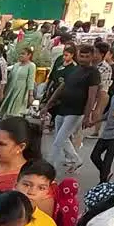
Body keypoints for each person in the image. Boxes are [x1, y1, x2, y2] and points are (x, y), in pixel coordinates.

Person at [44, 45, 102, 174]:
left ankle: (48, 169)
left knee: (58, 141)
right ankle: (75, 159)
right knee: (61, 137)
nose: (84, 59)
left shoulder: (93, 73)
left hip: (76, 111)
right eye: (82, 56)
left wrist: (87, 116)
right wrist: (49, 103)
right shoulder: (74, 69)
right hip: (63, 107)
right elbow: (62, 87)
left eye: (87, 56)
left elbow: (92, 96)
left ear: (92, 56)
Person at [0, 47, 35, 116]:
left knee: (15, 112)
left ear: (29, 55)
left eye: (23, 54)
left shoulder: (31, 66)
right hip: (10, 90)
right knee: (6, 111)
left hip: (21, 92)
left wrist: (31, 95)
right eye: (20, 54)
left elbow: (30, 81)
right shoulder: (16, 65)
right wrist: (3, 91)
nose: (21, 55)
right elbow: (9, 78)